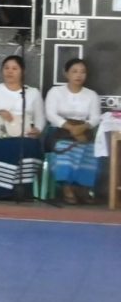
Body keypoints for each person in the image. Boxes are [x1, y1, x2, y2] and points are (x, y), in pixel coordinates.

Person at [0, 53, 44, 203]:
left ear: (22, 71)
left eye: (14, 68)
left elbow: (40, 118)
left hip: (25, 133)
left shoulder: (32, 93)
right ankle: (0, 190)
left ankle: (22, 190)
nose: (10, 71)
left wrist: (37, 129)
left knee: (29, 146)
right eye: (6, 68)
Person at [45, 57, 105, 205]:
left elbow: (95, 118)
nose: (79, 75)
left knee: (90, 150)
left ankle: (82, 188)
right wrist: (71, 128)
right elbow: (51, 115)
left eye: (82, 72)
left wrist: (82, 128)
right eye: (75, 71)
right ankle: (67, 188)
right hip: (60, 131)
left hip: (84, 130)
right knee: (65, 147)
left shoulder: (91, 95)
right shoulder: (55, 92)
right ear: (66, 73)